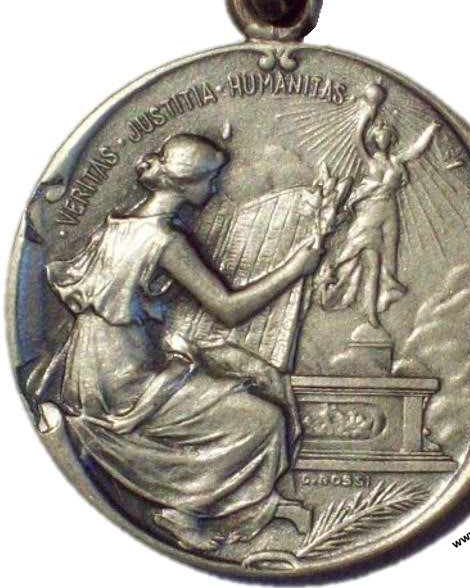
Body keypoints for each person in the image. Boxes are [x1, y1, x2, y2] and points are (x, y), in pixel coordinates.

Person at [44, 133, 322, 552]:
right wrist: (295, 268)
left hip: (90, 370)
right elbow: (228, 309)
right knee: (262, 419)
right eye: (211, 179)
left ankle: (229, 503)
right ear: (185, 182)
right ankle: (187, 509)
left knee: (237, 384)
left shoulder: (117, 226)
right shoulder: (164, 241)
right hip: (127, 384)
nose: (215, 188)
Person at [320, 94, 440, 330]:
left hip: (389, 212)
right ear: (374, 138)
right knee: (366, 258)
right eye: (378, 133)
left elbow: (417, 149)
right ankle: (354, 302)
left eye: (386, 133)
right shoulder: (370, 160)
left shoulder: (396, 161)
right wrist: (367, 114)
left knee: (386, 261)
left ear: (391, 137)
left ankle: (376, 306)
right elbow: (357, 138)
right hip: (369, 212)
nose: (382, 136)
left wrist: (433, 127)